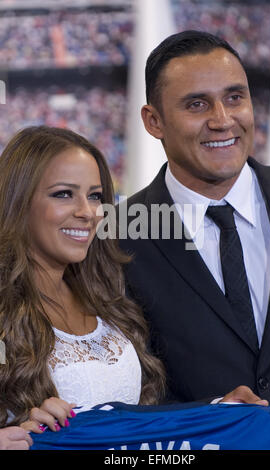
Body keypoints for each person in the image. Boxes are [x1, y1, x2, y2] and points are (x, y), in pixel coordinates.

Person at [118, 30, 270, 420]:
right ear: (154, 121)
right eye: (197, 104)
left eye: (235, 98)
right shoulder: (116, 238)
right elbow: (125, 391)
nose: (222, 120)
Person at [0, 125, 165, 436]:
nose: (87, 212)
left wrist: (220, 409)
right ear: (18, 201)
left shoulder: (107, 297)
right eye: (64, 194)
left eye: (95, 196)